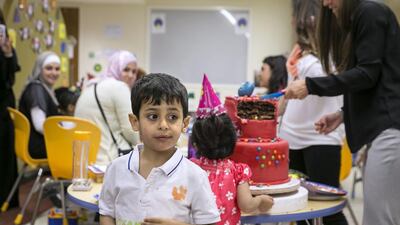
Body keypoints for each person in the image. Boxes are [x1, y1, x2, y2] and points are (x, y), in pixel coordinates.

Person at [284, 0, 400, 224]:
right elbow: (375, 83)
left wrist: (311, 86)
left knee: (379, 218)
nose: (326, 3)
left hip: (389, 130)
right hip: (379, 133)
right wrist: (342, 114)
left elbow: (367, 75)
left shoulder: (370, 12)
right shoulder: (364, 18)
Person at [99, 73, 220, 225]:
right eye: (153, 116)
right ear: (135, 121)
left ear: (185, 123)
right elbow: (106, 213)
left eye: (172, 117)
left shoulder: (195, 176)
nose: (163, 125)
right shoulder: (116, 169)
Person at [279, 1, 347, 224]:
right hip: (291, 137)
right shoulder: (297, 53)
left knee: (329, 212)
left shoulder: (334, 50)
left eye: (294, 16)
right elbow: (292, 95)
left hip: (322, 137)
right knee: (298, 209)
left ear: (307, 19)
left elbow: (335, 85)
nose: (290, 21)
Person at [190, 75, 274, 225]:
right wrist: (260, 200)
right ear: (232, 139)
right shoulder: (238, 171)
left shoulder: (192, 167)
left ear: (195, 143)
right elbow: (246, 205)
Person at [75, 50, 140, 165]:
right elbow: (131, 130)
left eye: (134, 72)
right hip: (109, 160)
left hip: (82, 159)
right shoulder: (119, 87)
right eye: (126, 69)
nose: (131, 75)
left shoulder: (92, 85)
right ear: (115, 67)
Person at [19, 51, 61, 159]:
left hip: (40, 143)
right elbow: (40, 126)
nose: (54, 73)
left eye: (57, 69)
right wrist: (64, 134)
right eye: (49, 68)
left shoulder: (43, 88)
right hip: (39, 146)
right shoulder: (36, 90)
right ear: (39, 69)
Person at [0, 8, 20, 209]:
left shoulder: (5, 40)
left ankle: (7, 197)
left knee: (5, 152)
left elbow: (9, 78)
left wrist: (7, 53)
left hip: (4, 106)